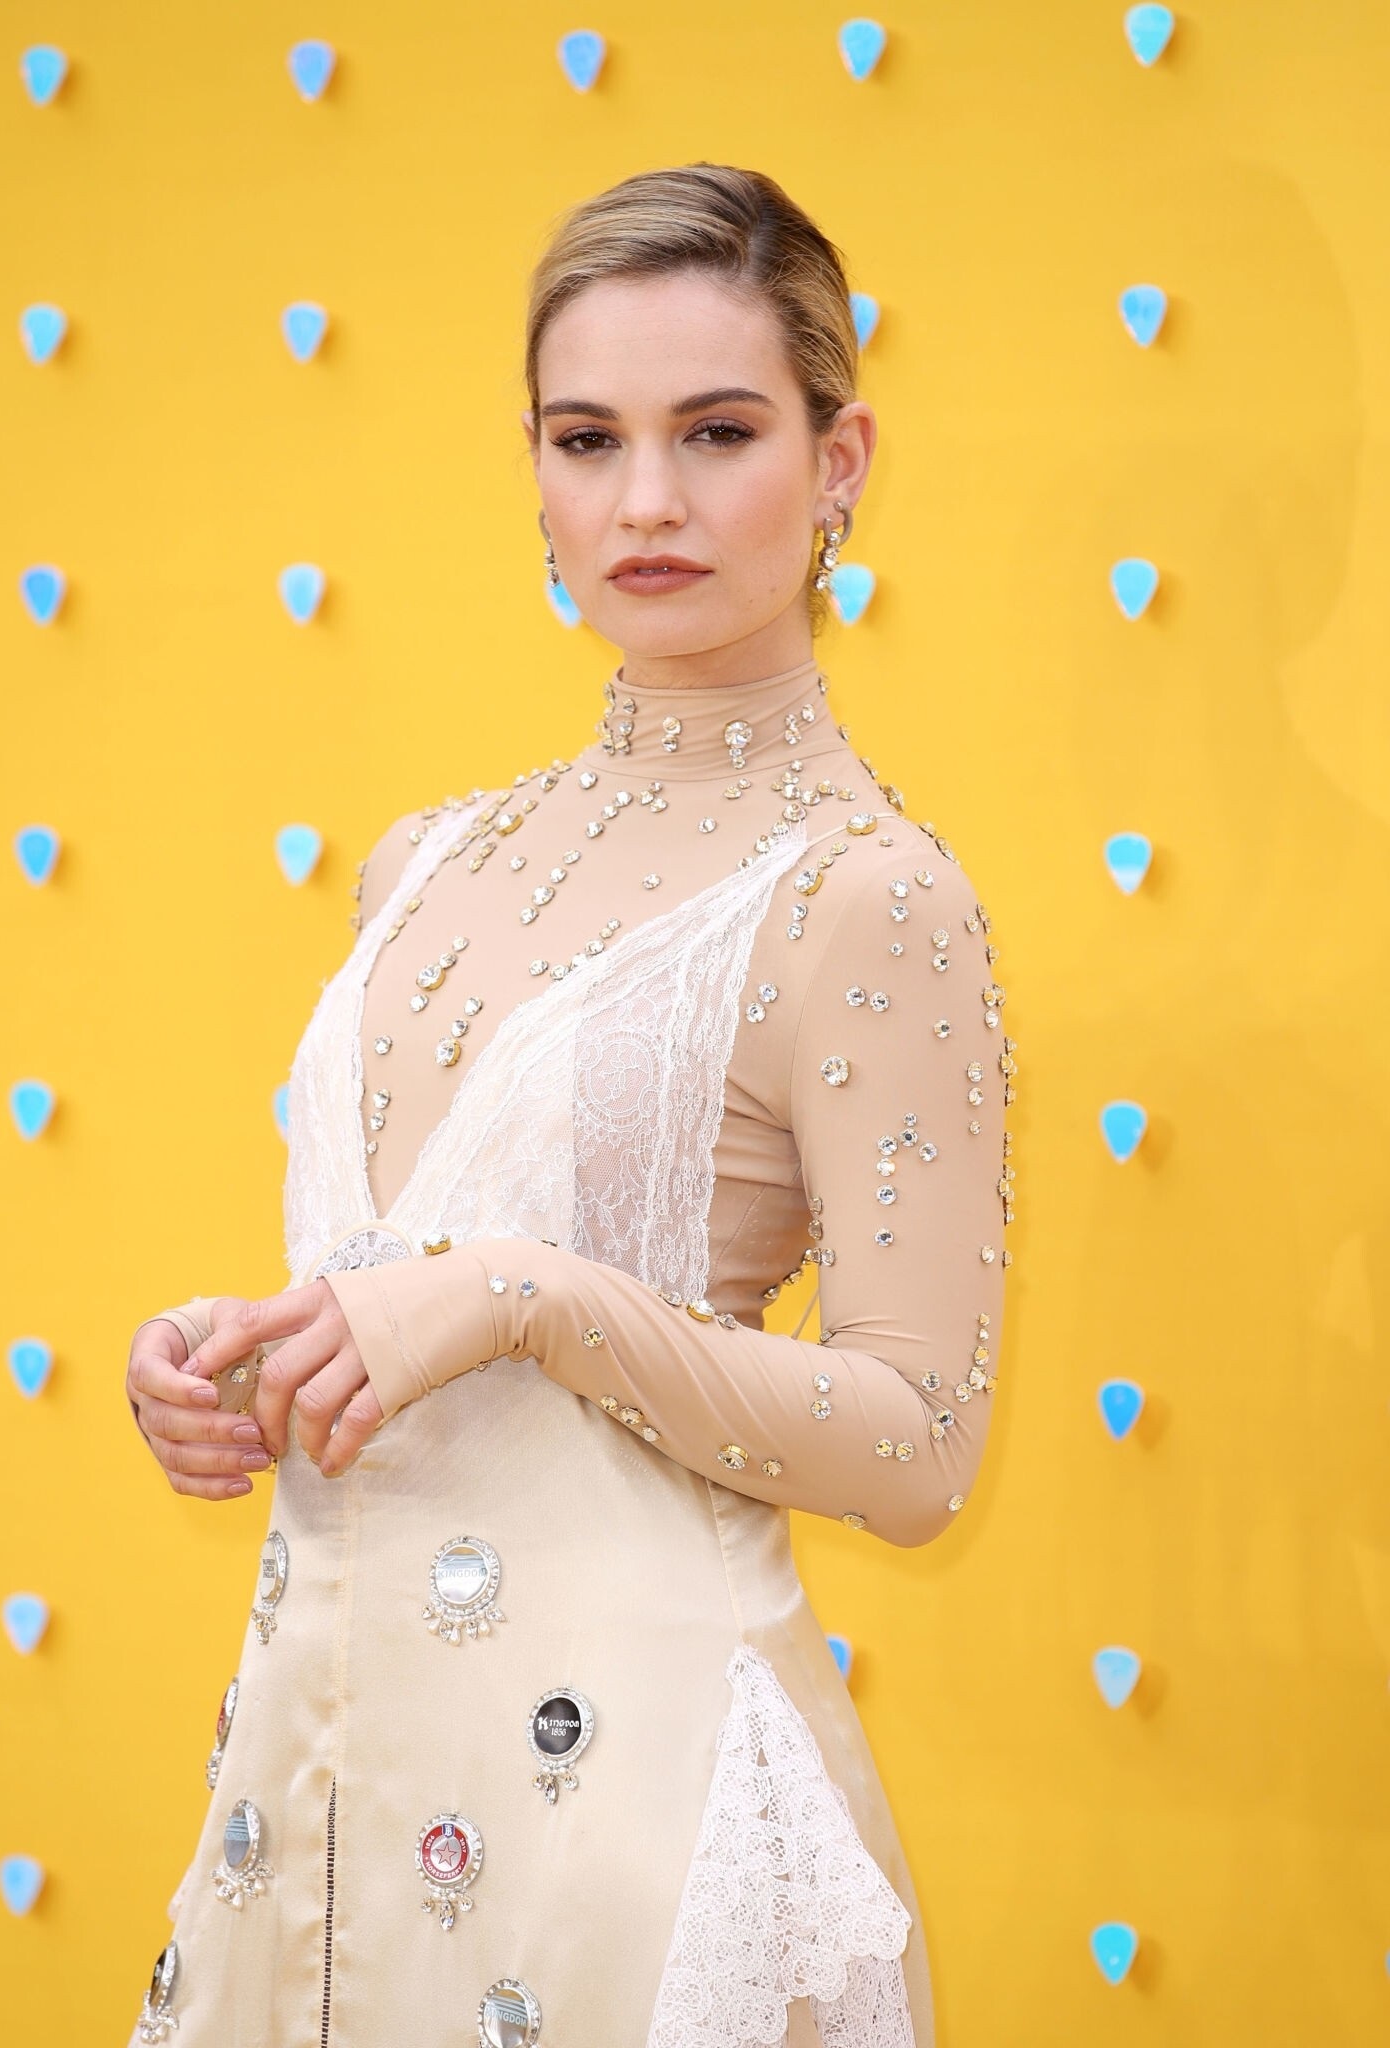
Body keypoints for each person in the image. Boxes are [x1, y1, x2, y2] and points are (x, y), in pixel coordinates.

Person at [122, 161, 1014, 2048]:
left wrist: (523, 1294)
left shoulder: (864, 895)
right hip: (318, 1789)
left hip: (634, 1823)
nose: (650, 501)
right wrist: (248, 1356)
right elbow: (390, 1277)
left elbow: (923, 1444)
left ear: (843, 458)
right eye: (588, 436)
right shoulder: (421, 862)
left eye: (719, 432)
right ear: (529, 463)